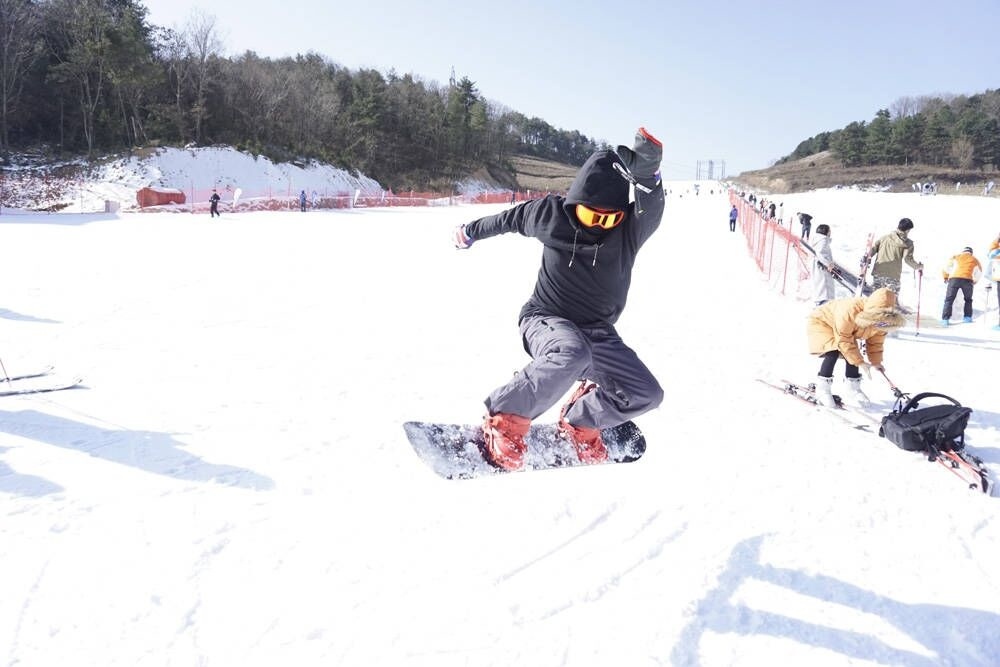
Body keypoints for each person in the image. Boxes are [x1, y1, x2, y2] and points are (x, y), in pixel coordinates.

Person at [451, 128, 665, 471]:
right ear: (575, 202)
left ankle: (582, 419)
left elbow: (650, 210)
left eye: (610, 218)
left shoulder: (627, 232)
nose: (600, 225)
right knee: (571, 351)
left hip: (598, 332)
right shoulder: (551, 215)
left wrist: (650, 178)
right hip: (546, 319)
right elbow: (508, 218)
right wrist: (471, 231)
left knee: (646, 393)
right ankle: (504, 418)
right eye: (592, 216)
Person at [806, 288, 906, 408]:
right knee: (833, 351)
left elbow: (876, 343)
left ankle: (853, 389)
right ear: (872, 312)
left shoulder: (881, 321)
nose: (880, 324)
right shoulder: (849, 311)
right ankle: (823, 388)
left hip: (844, 330)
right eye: (878, 320)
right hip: (823, 322)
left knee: (853, 352)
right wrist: (860, 363)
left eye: (883, 322)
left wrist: (876, 362)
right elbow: (843, 340)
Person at [865, 218, 924, 294]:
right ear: (907, 230)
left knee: (876, 297)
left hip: (878, 273)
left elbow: (873, 250)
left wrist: (867, 256)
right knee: (892, 301)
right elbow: (907, 260)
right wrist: (918, 266)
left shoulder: (884, 238)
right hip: (893, 277)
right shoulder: (908, 243)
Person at [940, 247, 982, 325]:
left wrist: (945, 277)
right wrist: (975, 281)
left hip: (954, 279)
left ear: (963, 252)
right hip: (967, 280)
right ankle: (967, 318)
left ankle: (945, 320)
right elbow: (979, 272)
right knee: (968, 299)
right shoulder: (975, 260)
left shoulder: (955, 257)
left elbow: (946, 268)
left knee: (949, 299)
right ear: (971, 253)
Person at [810, 223, 836, 306]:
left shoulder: (817, 240)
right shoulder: (823, 240)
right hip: (822, 268)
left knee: (820, 288)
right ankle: (823, 308)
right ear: (826, 231)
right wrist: (829, 264)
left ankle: (820, 306)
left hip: (818, 267)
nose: (830, 232)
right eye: (829, 231)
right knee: (825, 290)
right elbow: (821, 253)